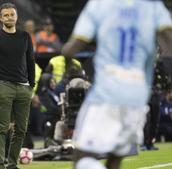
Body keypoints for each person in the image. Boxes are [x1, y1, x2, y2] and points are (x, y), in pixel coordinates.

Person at [61, 0, 172, 169]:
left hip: (107, 93)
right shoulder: (153, 6)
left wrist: (68, 66)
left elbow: (70, 50)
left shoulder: (98, 5)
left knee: (81, 158)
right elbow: (169, 43)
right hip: (138, 96)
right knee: (115, 158)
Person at [0, 3, 35, 169]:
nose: (9, 17)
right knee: (2, 129)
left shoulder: (25, 36)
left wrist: (31, 85)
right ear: (1, 18)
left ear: (16, 16)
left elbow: (30, 62)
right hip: (4, 86)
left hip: (24, 88)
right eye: (6, 15)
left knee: (21, 130)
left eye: (12, 14)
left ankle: (12, 164)